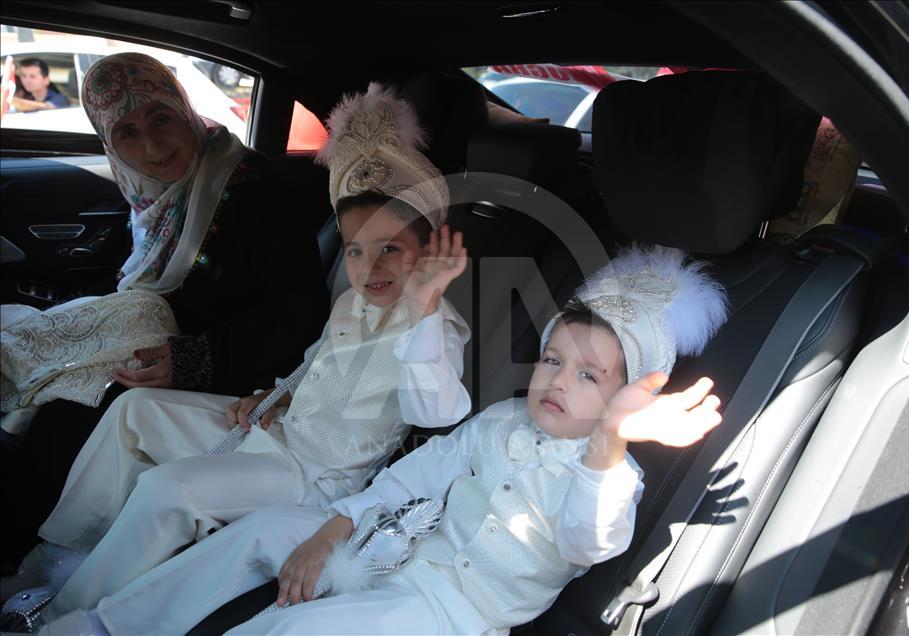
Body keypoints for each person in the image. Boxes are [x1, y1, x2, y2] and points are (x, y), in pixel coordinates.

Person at [40, 244, 730, 635]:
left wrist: (609, 442)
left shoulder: (610, 476)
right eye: (552, 359)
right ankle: (96, 626)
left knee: (295, 630)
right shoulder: (502, 421)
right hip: (396, 537)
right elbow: (414, 477)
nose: (557, 380)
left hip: (446, 610)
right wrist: (331, 529)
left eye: (589, 376)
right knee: (259, 533)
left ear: (628, 397)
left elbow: (588, 542)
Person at [11, 81, 473, 624]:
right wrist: (273, 395)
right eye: (355, 251)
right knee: (134, 411)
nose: (369, 267)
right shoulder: (353, 304)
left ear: (429, 250)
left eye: (390, 248)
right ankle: (58, 560)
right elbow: (315, 363)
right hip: (278, 429)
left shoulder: (436, 328)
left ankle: (65, 615)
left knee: (170, 489)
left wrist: (424, 308)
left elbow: (436, 410)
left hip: (312, 477)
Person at [1, 52, 328, 581]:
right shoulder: (154, 199)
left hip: (238, 374)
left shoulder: (253, 191)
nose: (152, 146)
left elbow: (298, 314)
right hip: (159, 351)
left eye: (160, 119)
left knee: (68, 409)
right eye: (127, 133)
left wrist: (194, 359)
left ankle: (25, 554)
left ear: (183, 109)